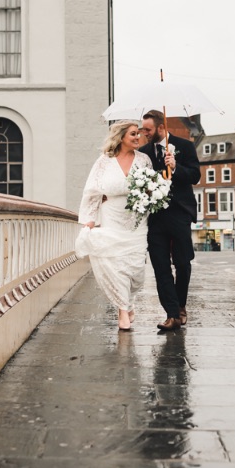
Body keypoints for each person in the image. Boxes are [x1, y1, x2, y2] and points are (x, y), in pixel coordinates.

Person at [75, 121, 151, 331]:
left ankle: (128, 301)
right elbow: (92, 192)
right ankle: (122, 312)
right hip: (112, 218)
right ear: (121, 137)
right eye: (133, 134)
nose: (138, 137)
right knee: (116, 265)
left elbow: (151, 188)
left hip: (137, 221)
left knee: (135, 270)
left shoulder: (144, 160)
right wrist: (89, 220)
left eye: (139, 134)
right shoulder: (104, 162)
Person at [139, 109, 199, 332]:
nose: (144, 133)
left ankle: (181, 305)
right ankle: (172, 314)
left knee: (182, 264)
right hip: (155, 217)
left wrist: (175, 166)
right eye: (143, 129)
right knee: (160, 266)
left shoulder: (185, 146)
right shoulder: (143, 153)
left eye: (148, 129)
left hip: (179, 213)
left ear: (161, 128)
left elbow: (194, 176)